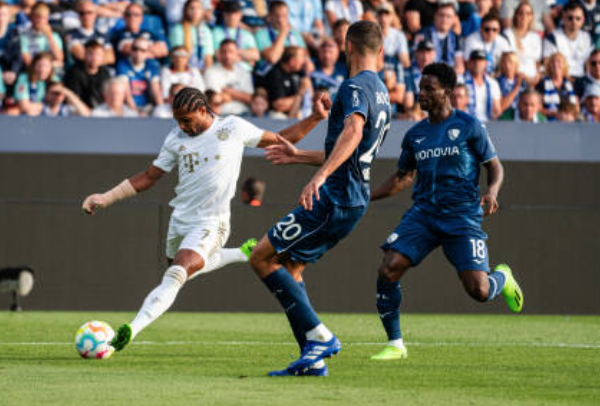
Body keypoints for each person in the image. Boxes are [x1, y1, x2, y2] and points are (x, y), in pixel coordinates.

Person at [82, 86, 331, 352]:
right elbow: (149, 177)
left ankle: (131, 330)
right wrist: (106, 197)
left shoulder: (233, 128)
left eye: (186, 120)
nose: (182, 126)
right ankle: (239, 254)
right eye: (178, 120)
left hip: (212, 222)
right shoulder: (175, 138)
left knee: (177, 273)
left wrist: (315, 117)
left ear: (203, 110)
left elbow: (281, 138)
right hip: (180, 220)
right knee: (178, 272)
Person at [249, 20, 391, 377]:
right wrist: (298, 157)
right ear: (382, 52)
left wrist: (319, 176)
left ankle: (322, 340)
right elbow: (349, 150)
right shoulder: (382, 92)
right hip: (350, 197)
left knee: (262, 257)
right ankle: (311, 360)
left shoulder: (354, 86)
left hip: (337, 197)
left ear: (347, 48)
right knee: (291, 268)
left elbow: (354, 132)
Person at [368, 62, 523, 362]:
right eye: (420, 87)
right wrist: (367, 196)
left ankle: (502, 277)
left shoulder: (469, 126)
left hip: (462, 216)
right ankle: (395, 344)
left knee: (479, 291)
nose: (421, 93)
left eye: (429, 88)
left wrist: (492, 191)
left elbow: (494, 166)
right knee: (388, 267)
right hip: (424, 213)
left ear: (447, 92)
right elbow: (402, 178)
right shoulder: (415, 135)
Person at [254, 0, 307, 76]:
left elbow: (305, 57)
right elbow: (272, 58)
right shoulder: (261, 34)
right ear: (270, 16)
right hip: (270, 76)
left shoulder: (295, 34)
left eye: (284, 16)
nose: (280, 20)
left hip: (293, 74)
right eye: (277, 16)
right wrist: (283, 33)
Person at [543, 1, 593, 80]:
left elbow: (589, 65)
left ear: (583, 20)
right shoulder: (553, 37)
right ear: (563, 18)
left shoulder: (587, 38)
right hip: (561, 80)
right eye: (570, 18)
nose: (574, 22)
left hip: (583, 80)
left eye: (578, 18)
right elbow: (547, 63)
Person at [204, 39, 253, 116]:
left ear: (237, 54)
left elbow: (250, 99)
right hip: (222, 115)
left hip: (245, 114)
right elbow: (215, 99)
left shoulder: (244, 73)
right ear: (219, 53)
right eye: (224, 52)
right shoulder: (211, 72)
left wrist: (229, 92)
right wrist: (240, 96)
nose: (227, 55)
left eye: (231, 52)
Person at [413, 1, 464, 73]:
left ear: (454, 19)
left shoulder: (455, 37)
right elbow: (420, 61)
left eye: (448, 16)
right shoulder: (423, 34)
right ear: (435, 16)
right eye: (441, 15)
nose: (444, 20)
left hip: (449, 76)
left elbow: (460, 66)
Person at [116, 36, 163, 113]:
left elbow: (156, 92)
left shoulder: (152, 65)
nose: (138, 53)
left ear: (148, 53)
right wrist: (135, 112)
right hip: (128, 107)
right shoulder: (123, 64)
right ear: (131, 50)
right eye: (135, 49)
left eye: (142, 50)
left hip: (148, 107)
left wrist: (161, 109)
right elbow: (127, 94)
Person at [264, 45, 311, 119]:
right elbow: (279, 105)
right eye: (301, 57)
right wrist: (300, 94)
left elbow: (311, 98)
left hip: (294, 114)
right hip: (275, 117)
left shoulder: (299, 73)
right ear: (292, 61)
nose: (303, 61)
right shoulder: (275, 74)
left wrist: (308, 73)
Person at [211, 1, 259, 72]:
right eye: (229, 13)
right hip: (223, 71)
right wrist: (245, 57)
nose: (232, 16)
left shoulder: (246, 34)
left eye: (235, 13)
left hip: (244, 72)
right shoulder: (215, 32)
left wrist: (231, 54)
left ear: (240, 15)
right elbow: (218, 55)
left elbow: (256, 55)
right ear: (224, 15)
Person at [64, 40, 112, 109]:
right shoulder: (74, 72)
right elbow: (72, 99)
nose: (94, 57)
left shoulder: (105, 72)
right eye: (91, 54)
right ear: (85, 55)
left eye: (98, 54)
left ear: (102, 57)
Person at [502, 1, 542, 85]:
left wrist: (538, 75)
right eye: (521, 13)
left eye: (528, 14)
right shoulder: (508, 34)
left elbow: (537, 62)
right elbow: (506, 61)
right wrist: (524, 77)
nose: (524, 16)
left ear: (532, 17)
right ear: (516, 15)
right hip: (514, 79)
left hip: (533, 79)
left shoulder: (536, 37)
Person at [168, 0, 214, 70]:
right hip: (182, 69)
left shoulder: (206, 30)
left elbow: (208, 58)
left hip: (202, 69)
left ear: (203, 11)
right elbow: (177, 55)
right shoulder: (178, 29)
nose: (195, 11)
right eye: (191, 8)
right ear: (185, 11)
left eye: (198, 8)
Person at [66, 0, 115, 65]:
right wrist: (99, 57)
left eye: (89, 12)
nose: (86, 16)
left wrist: (92, 59)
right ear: (78, 16)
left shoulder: (102, 35)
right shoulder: (71, 35)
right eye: (82, 13)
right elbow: (81, 56)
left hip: (100, 72)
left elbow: (111, 58)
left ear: (95, 15)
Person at [462, 49, 501, 122]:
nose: (477, 63)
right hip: (467, 122)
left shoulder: (492, 83)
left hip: (488, 124)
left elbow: (497, 110)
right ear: (469, 62)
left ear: (486, 63)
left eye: (480, 60)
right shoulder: (460, 80)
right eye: (474, 60)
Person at [19, 2, 63, 68]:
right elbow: (27, 62)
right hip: (32, 74)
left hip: (52, 74)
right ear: (31, 17)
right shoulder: (24, 36)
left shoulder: (54, 36)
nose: (41, 20)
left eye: (44, 17)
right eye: (37, 17)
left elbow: (59, 58)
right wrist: (50, 65)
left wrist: (49, 37)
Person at [536, 52, 578, 120]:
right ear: (549, 65)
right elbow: (538, 108)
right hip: (550, 120)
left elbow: (577, 107)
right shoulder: (542, 83)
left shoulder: (571, 83)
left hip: (570, 119)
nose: (555, 64)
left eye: (559, 62)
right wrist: (556, 114)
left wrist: (568, 116)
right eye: (552, 62)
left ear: (564, 65)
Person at [14, 51, 54, 116]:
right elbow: (24, 106)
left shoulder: (53, 81)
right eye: (39, 66)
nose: (42, 70)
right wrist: (42, 107)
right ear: (33, 66)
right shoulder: (24, 79)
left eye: (46, 66)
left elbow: (55, 107)